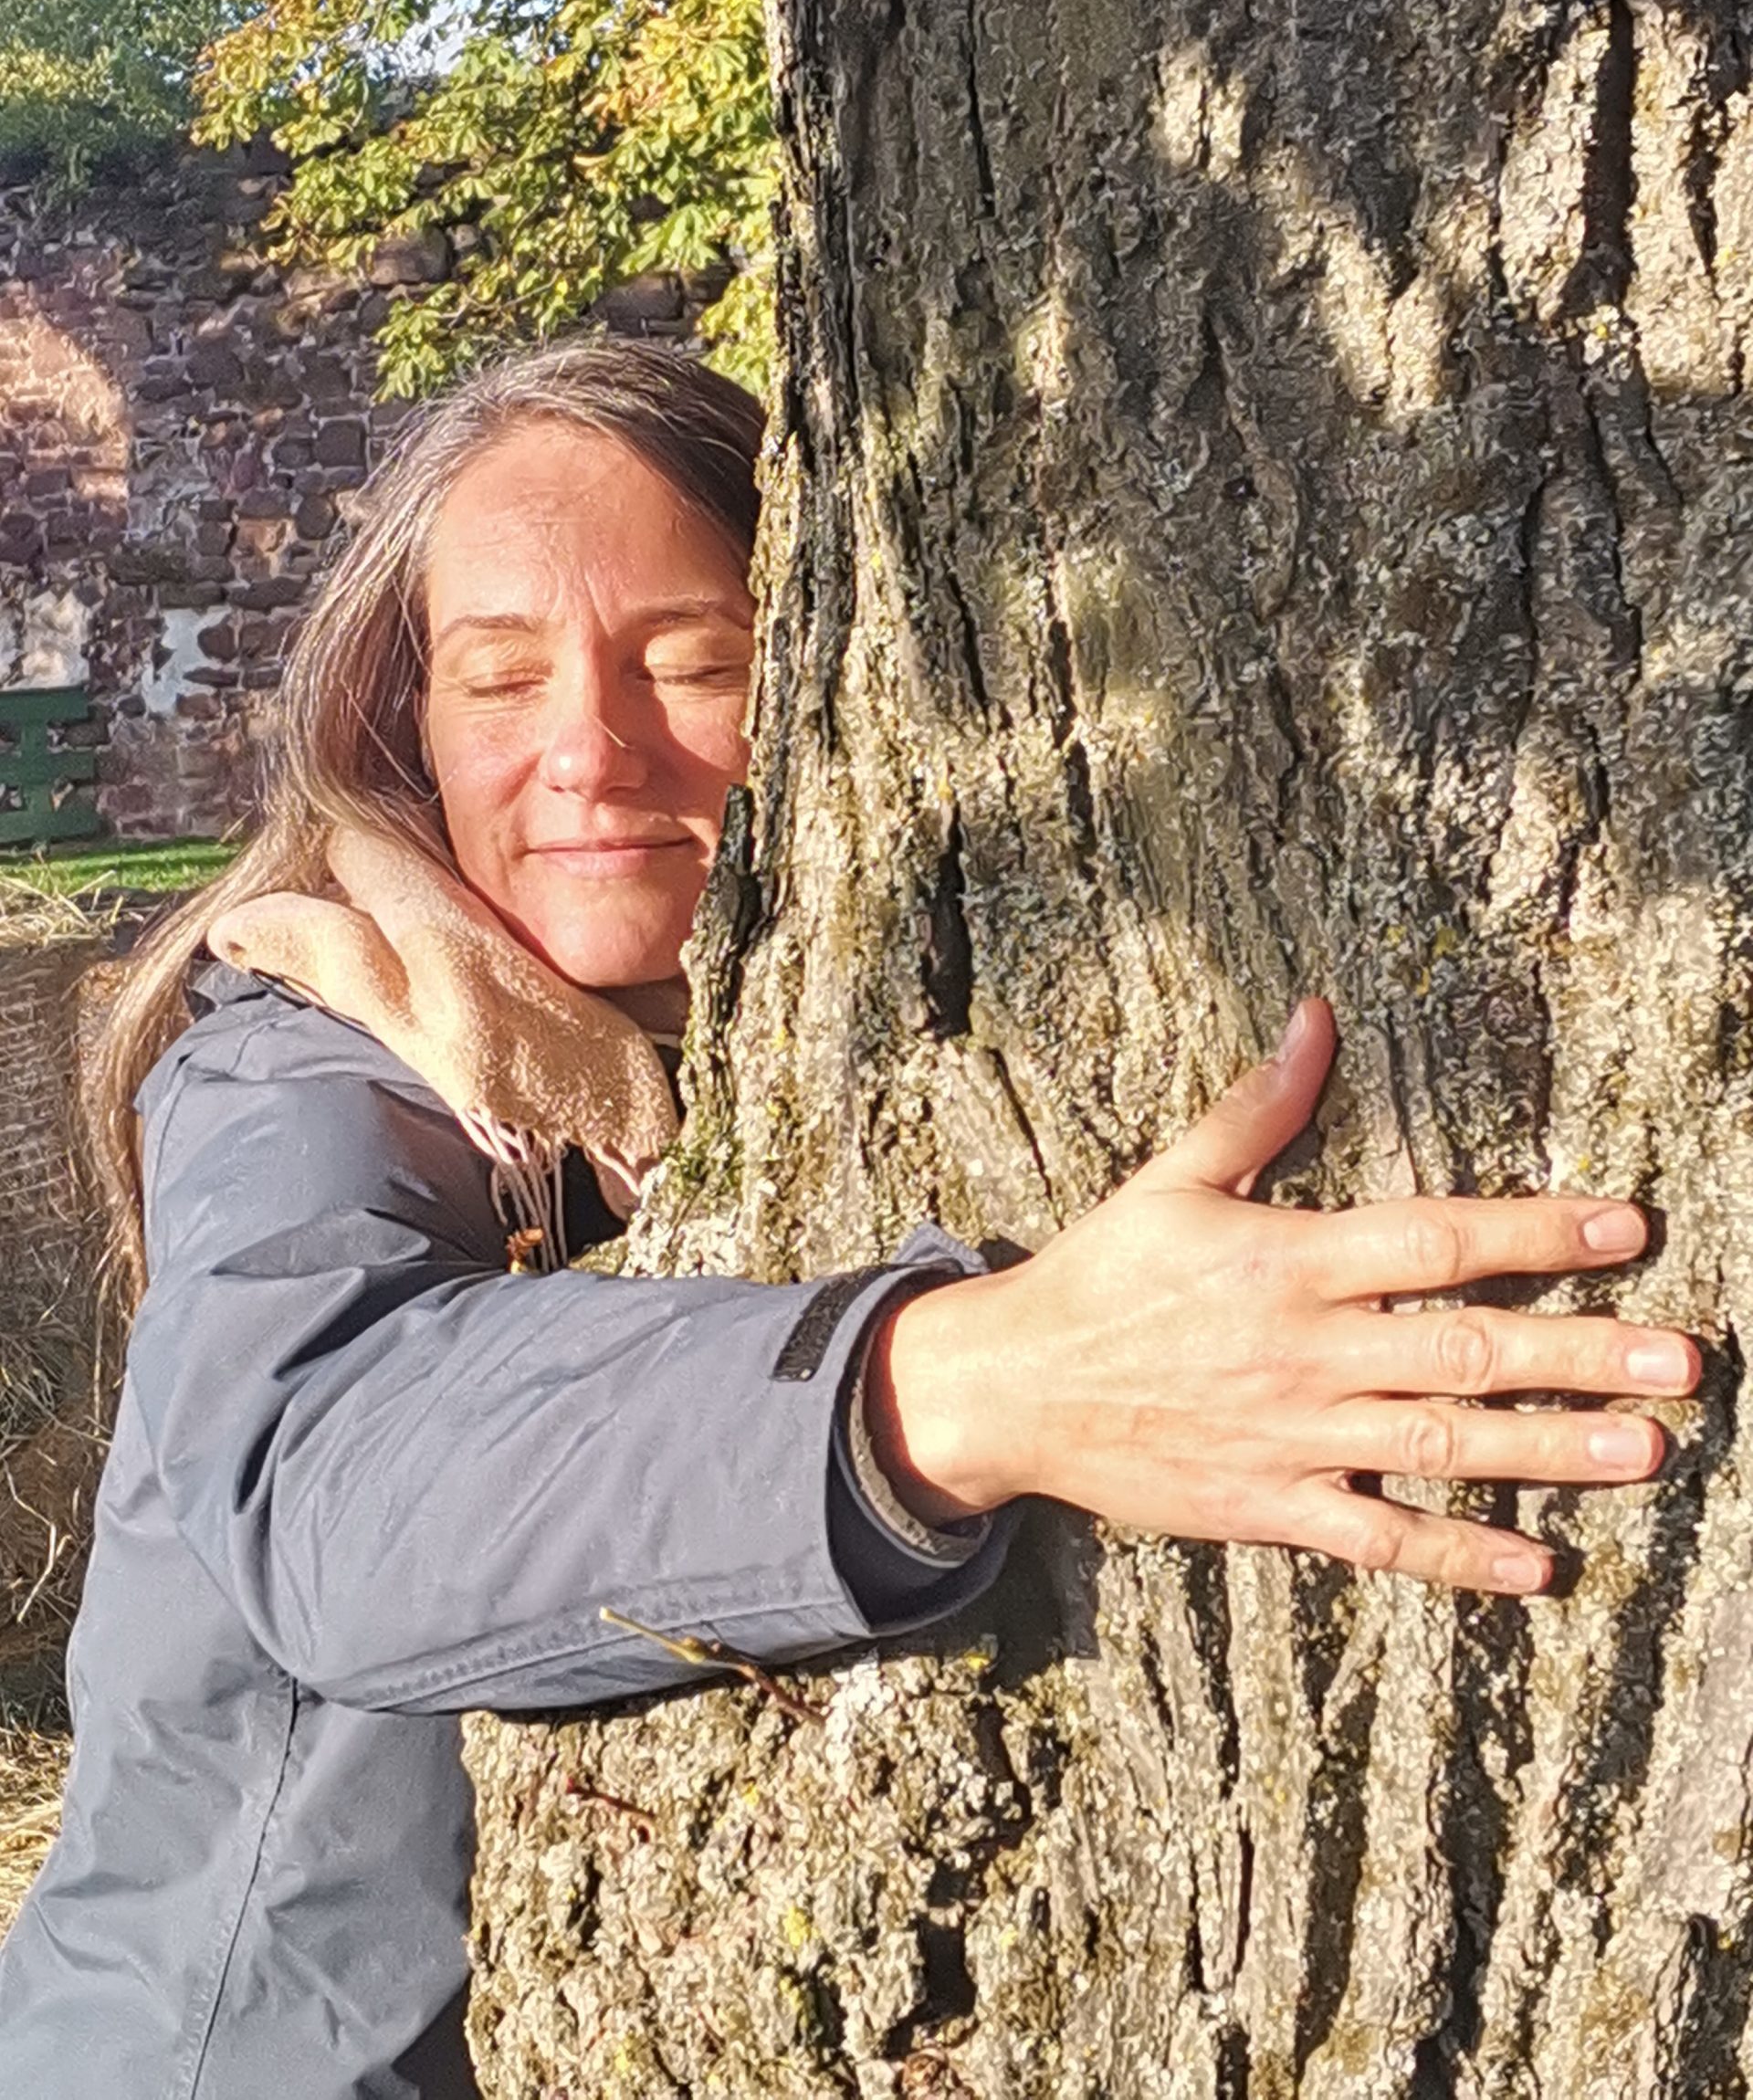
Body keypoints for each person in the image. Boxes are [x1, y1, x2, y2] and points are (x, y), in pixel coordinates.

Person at [0, 338, 1698, 2100]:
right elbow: (328, 1490)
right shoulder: (302, 1056)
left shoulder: (745, 1046)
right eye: (499, 679)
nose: (587, 752)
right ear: (405, 727)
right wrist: (984, 1381)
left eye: (695, 662)